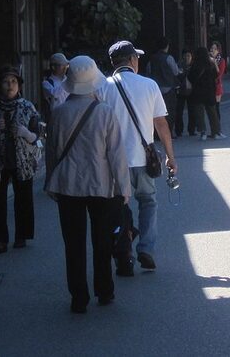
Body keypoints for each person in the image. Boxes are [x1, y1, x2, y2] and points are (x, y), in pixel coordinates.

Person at [44, 56, 131, 313]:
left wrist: (50, 182)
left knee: (74, 243)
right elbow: (116, 153)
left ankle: (78, 297)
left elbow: (52, 152)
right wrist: (123, 187)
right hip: (101, 185)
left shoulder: (58, 113)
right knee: (102, 241)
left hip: (68, 185)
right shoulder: (104, 112)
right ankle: (104, 291)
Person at [99, 40, 178, 275]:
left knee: (119, 207)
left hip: (113, 162)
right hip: (143, 158)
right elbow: (161, 124)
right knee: (148, 201)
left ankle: (124, 254)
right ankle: (147, 249)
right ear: (132, 60)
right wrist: (170, 157)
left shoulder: (103, 87)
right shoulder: (149, 85)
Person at [0, 65, 42, 255]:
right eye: (6, 82)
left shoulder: (27, 106)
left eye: (14, 81)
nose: (10, 85)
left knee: (24, 199)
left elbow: (37, 136)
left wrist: (25, 133)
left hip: (22, 159)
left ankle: (21, 236)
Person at [146, 38, 181, 137]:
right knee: (170, 111)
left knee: (156, 112)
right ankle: (169, 132)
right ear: (167, 46)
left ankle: (157, 134)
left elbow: (148, 71)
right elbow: (175, 72)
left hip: (156, 89)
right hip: (168, 88)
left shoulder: (152, 59)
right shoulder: (169, 58)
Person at [187, 46, 223, 140]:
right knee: (212, 112)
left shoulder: (194, 65)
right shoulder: (210, 64)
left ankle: (202, 132)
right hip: (209, 91)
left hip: (197, 92)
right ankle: (215, 132)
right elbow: (216, 75)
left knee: (199, 113)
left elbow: (190, 77)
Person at [41, 53, 69, 122]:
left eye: (66, 65)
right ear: (53, 67)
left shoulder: (67, 80)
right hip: (56, 119)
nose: (65, 68)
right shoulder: (47, 83)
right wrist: (67, 81)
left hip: (69, 116)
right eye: (62, 65)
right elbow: (55, 94)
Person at [174, 48, 194, 136]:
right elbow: (176, 77)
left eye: (189, 56)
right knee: (179, 111)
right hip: (181, 91)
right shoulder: (178, 65)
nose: (187, 58)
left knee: (192, 111)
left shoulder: (194, 65)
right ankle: (179, 130)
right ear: (182, 56)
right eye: (185, 56)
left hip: (191, 91)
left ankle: (192, 130)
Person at [210, 41, 227, 120]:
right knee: (210, 108)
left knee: (216, 107)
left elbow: (219, 74)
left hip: (216, 85)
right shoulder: (208, 59)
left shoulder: (221, 60)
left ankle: (218, 126)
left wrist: (215, 63)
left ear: (218, 50)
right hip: (209, 85)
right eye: (212, 48)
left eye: (215, 49)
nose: (213, 50)